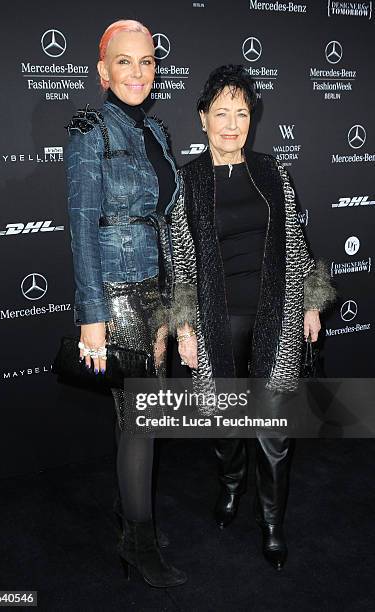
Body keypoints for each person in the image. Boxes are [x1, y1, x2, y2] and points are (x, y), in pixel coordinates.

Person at [171, 64, 335, 570]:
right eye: (221, 112)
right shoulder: (189, 180)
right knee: (224, 425)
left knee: (274, 431)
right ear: (202, 118)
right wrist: (184, 324)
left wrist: (310, 299)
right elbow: (180, 258)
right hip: (217, 321)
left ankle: (271, 522)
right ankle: (231, 486)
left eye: (241, 113)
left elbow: (296, 243)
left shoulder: (272, 172)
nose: (231, 123)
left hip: (275, 316)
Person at [64, 20, 187, 587]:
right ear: (103, 70)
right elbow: (82, 228)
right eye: (125, 62)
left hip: (158, 293)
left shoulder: (158, 133)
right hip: (115, 296)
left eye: (147, 62)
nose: (139, 72)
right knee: (140, 422)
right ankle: (138, 542)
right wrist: (92, 317)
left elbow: (170, 224)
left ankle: (128, 516)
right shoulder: (91, 132)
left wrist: (178, 305)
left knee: (136, 420)